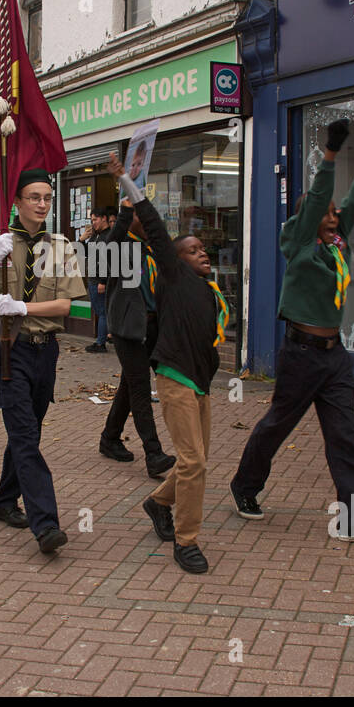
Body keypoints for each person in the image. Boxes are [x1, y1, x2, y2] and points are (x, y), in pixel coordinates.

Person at [229, 119, 354, 540]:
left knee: (343, 435)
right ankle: (244, 487)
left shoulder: (337, 243)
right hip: (301, 355)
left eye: (335, 213)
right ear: (309, 216)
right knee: (277, 425)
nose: (335, 215)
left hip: (334, 357)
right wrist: (330, 155)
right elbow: (321, 195)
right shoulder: (298, 242)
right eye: (326, 211)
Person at [110, 153, 222, 573]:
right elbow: (154, 225)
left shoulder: (209, 292)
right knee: (192, 462)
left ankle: (158, 503)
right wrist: (127, 182)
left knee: (198, 462)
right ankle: (186, 539)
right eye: (192, 250)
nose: (202, 253)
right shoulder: (174, 277)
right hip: (174, 379)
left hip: (200, 384)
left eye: (203, 249)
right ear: (177, 260)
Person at [0, 168, 86, 555]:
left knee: (28, 432)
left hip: (45, 350)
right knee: (24, 436)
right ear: (17, 201)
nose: (41, 204)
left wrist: (23, 305)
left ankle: (4, 499)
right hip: (11, 348)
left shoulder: (61, 246)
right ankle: (46, 523)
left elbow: (66, 306)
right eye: (33, 197)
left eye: (47, 198)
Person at [98, 194, 175, 478]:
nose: (148, 217)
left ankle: (110, 438)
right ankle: (154, 453)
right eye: (142, 214)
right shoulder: (121, 247)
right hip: (128, 329)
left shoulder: (152, 248)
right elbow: (105, 250)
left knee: (131, 386)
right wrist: (124, 213)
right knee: (141, 388)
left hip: (154, 326)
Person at [83, 206, 112, 352]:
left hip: (100, 281)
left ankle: (101, 343)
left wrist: (103, 281)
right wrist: (82, 240)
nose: (93, 223)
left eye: (95, 219)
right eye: (91, 220)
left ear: (104, 218)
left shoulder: (109, 236)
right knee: (100, 311)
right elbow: (86, 253)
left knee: (102, 312)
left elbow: (109, 261)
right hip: (93, 278)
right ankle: (103, 339)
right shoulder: (96, 236)